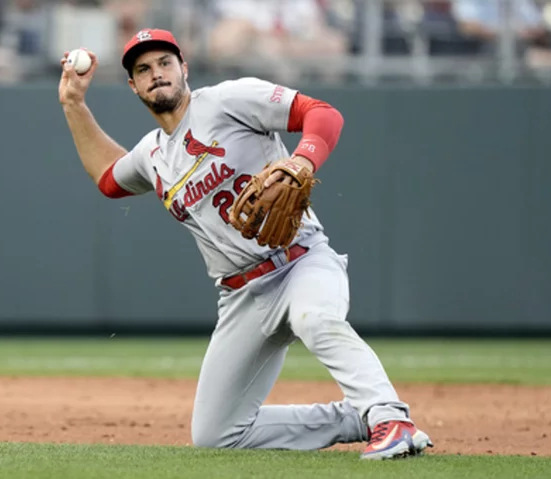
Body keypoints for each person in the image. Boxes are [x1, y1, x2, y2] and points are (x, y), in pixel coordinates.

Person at [58, 28, 433, 460]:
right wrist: (73, 104)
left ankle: (391, 418)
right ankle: (355, 419)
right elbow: (108, 178)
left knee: (315, 318)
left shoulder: (227, 101)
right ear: (134, 86)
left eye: (164, 63)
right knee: (216, 434)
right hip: (241, 297)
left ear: (184, 68)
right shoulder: (153, 155)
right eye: (143, 69)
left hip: (299, 262)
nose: (156, 74)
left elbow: (323, 115)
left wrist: (300, 160)